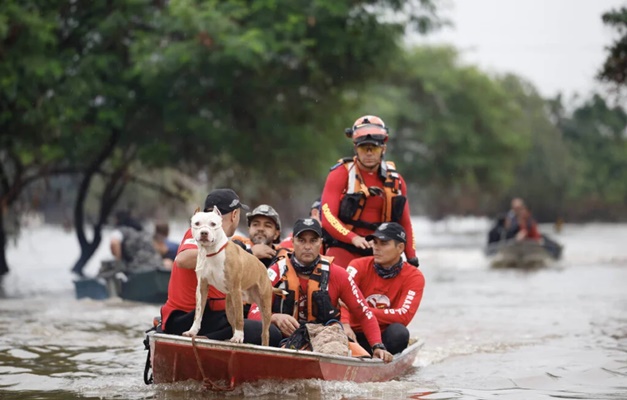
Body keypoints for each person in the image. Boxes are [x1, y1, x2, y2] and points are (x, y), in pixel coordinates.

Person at [261, 217, 394, 362]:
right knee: (265, 331)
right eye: (302, 240)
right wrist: (274, 318)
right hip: (286, 337)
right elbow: (254, 311)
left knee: (357, 353)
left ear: (321, 243)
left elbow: (364, 313)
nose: (307, 246)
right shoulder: (275, 272)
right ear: (293, 242)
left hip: (327, 336)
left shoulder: (338, 274)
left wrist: (377, 346)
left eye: (313, 240)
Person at [160, 188, 282, 346]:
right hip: (185, 317)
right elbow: (182, 259)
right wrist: (246, 252)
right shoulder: (197, 233)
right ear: (234, 215)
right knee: (272, 334)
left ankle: (216, 339)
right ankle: (209, 340)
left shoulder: (227, 243)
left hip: (212, 316)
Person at [320, 115, 419, 268]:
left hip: (381, 251)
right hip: (344, 247)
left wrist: (411, 256)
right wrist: (353, 238)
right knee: (335, 283)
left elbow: (405, 223)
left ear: (383, 149)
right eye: (363, 148)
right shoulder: (340, 173)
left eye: (374, 148)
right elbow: (327, 216)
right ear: (355, 148)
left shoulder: (396, 180)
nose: (369, 153)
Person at [343, 222, 425, 355]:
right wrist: (345, 324)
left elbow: (403, 315)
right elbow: (341, 299)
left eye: (384, 243)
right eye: (375, 243)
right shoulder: (357, 265)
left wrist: (361, 310)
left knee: (399, 333)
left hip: (384, 337)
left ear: (400, 248)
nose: (376, 248)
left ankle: (384, 360)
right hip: (353, 333)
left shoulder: (414, 276)